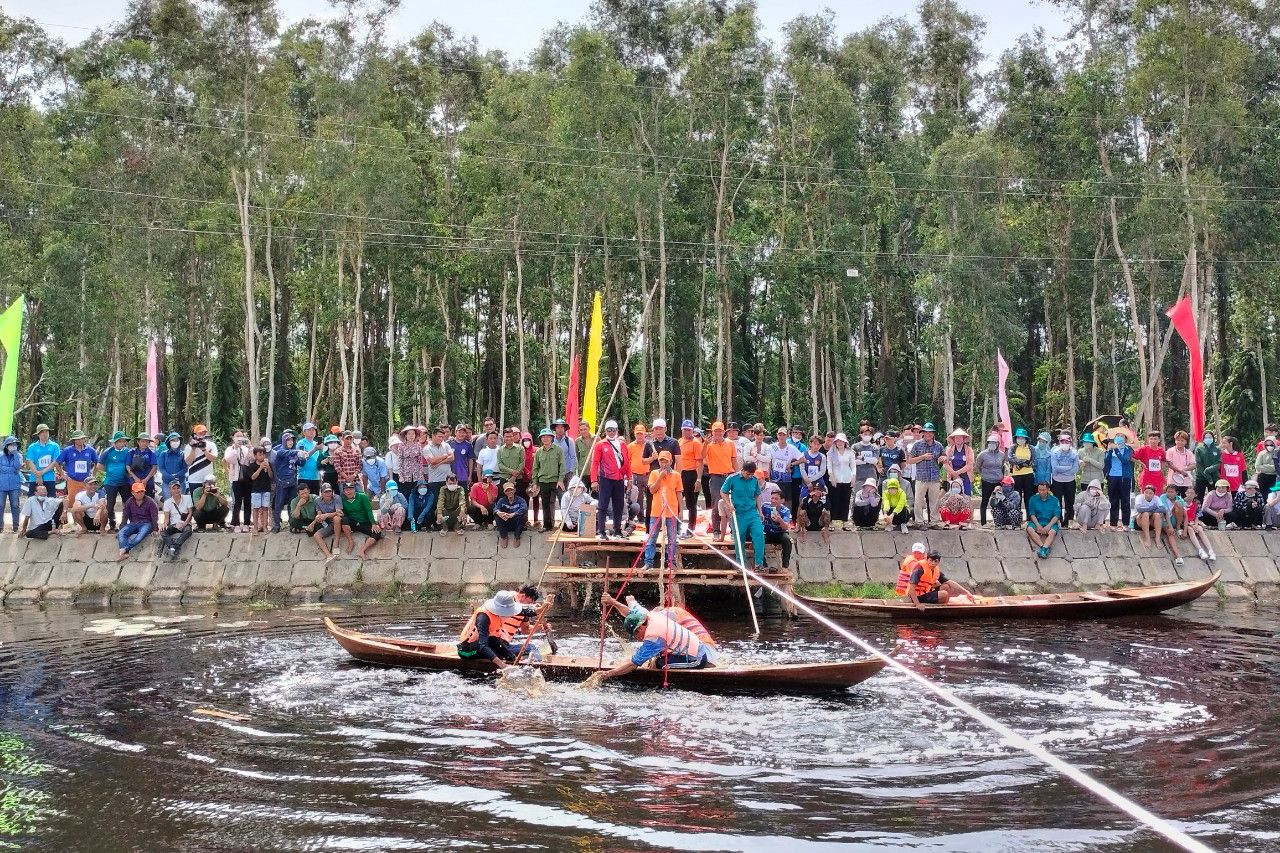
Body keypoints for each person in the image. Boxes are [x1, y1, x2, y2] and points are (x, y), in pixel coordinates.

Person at [585, 601, 709, 686]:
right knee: (656, 659)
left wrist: (608, 674)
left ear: (639, 629)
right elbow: (629, 612)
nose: (638, 638)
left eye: (636, 635)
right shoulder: (651, 615)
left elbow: (634, 664)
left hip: (697, 658)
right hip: (695, 648)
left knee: (660, 664)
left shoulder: (653, 636)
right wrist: (613, 601)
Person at [895, 543, 974, 608]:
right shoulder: (919, 568)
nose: (933, 563)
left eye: (935, 561)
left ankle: (942, 608)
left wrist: (967, 592)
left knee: (946, 586)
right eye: (931, 560)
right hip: (915, 596)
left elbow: (950, 582)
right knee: (944, 594)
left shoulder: (935, 569)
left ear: (938, 562)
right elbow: (911, 588)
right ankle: (941, 609)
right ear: (927, 559)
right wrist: (917, 604)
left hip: (925, 592)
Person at [456, 590, 523, 668]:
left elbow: (525, 611)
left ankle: (513, 659)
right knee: (495, 653)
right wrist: (503, 666)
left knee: (497, 643)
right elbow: (483, 646)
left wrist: (511, 657)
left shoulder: (496, 614)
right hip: (467, 650)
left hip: (483, 644)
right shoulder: (483, 617)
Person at [721, 462, 765, 570]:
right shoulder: (732, 478)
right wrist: (728, 504)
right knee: (739, 538)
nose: (749, 476)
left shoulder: (754, 480)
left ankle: (759, 564)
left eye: (751, 474)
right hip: (738, 514)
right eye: (748, 474)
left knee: (759, 535)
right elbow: (723, 492)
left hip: (752, 513)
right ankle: (741, 565)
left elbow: (757, 495)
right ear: (743, 470)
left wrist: (760, 511)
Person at [590, 420, 630, 540]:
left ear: (617, 431)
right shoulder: (600, 445)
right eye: (609, 430)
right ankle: (601, 531)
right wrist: (594, 480)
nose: (611, 432)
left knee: (619, 504)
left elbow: (627, 462)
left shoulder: (622, 444)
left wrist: (630, 479)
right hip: (606, 478)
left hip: (619, 478)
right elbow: (595, 463)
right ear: (605, 431)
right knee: (603, 504)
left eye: (613, 430)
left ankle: (617, 530)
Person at [642, 450, 682, 570]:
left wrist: (681, 511)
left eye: (666, 461)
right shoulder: (654, 473)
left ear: (671, 462)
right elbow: (652, 490)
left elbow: (679, 493)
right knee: (652, 537)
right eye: (661, 461)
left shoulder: (676, 475)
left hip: (672, 511)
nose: (663, 464)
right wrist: (660, 477)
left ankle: (671, 563)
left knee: (672, 539)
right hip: (656, 511)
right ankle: (648, 562)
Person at [703, 421, 737, 537]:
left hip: (729, 476)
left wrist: (737, 476)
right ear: (712, 432)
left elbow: (734, 460)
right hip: (716, 477)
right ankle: (716, 531)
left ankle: (733, 530)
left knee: (732, 503)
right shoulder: (709, 445)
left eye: (720, 431)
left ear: (724, 432)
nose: (718, 433)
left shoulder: (730, 443)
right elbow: (701, 457)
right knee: (716, 504)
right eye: (715, 431)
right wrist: (705, 444)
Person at [907, 422, 944, 527]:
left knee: (934, 501)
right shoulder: (917, 444)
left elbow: (944, 457)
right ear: (923, 433)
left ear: (933, 433)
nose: (928, 434)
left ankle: (934, 522)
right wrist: (923, 457)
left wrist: (943, 459)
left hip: (934, 477)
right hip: (921, 477)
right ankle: (919, 521)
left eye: (930, 432)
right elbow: (910, 460)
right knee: (918, 501)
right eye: (926, 432)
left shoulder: (938, 445)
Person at [97, 430, 133, 531]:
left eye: (123, 441)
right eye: (120, 441)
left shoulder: (128, 452)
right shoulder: (107, 452)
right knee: (110, 504)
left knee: (127, 503)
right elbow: (99, 466)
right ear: (114, 442)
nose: (122, 443)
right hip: (110, 482)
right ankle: (112, 523)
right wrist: (110, 470)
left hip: (125, 482)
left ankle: (125, 523)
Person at [531, 428, 566, 532]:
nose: (545, 438)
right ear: (541, 439)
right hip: (543, 481)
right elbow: (535, 468)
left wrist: (560, 479)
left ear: (552, 438)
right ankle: (547, 525)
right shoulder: (538, 452)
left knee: (563, 501)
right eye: (543, 437)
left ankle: (565, 524)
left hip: (556, 481)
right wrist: (535, 483)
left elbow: (562, 465)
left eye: (548, 436)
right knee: (545, 504)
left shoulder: (558, 450)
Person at [339, 481, 382, 558]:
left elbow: (369, 510)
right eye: (346, 490)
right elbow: (344, 513)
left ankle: (362, 550)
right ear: (344, 491)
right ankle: (350, 542)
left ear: (354, 489)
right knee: (344, 519)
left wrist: (373, 523)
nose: (349, 492)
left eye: (351, 489)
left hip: (364, 522)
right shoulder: (342, 500)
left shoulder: (362, 496)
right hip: (353, 522)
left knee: (377, 533)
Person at [767, 426, 804, 516]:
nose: (781, 436)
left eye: (783, 435)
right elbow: (769, 462)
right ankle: (773, 517)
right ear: (777, 435)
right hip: (774, 478)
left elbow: (803, 459)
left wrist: (792, 464)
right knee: (773, 498)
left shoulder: (791, 448)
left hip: (786, 478)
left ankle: (787, 518)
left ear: (787, 436)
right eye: (780, 434)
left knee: (787, 499)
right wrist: (768, 476)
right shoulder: (771, 447)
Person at [116, 482, 157, 561]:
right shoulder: (129, 502)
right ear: (133, 493)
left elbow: (154, 516)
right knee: (121, 533)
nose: (140, 494)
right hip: (134, 523)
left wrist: (155, 528)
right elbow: (125, 516)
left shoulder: (150, 501)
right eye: (137, 492)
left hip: (146, 523)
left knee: (140, 536)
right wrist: (121, 527)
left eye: (142, 491)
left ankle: (124, 549)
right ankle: (125, 553)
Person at [675, 419, 703, 532]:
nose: (686, 432)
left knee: (691, 503)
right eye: (684, 430)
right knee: (676, 500)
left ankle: (691, 528)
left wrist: (699, 479)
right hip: (679, 474)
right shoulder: (679, 441)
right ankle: (675, 526)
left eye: (689, 430)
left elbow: (700, 462)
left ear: (692, 430)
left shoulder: (696, 443)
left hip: (691, 474)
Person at [270, 431, 301, 533]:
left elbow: (301, 463)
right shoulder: (279, 450)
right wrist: (297, 452)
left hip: (292, 480)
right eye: (288, 440)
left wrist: (303, 456)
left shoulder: (294, 452)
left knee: (292, 502)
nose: (290, 442)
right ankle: (277, 524)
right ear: (283, 440)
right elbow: (281, 454)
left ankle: (292, 523)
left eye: (292, 440)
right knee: (279, 503)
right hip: (281, 481)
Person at [825, 432, 856, 530]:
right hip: (834, 480)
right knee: (834, 501)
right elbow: (829, 466)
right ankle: (832, 522)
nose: (840, 443)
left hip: (847, 479)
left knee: (845, 501)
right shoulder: (831, 453)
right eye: (838, 441)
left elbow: (853, 466)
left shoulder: (850, 452)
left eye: (842, 441)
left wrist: (853, 476)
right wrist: (831, 476)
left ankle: (845, 522)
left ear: (845, 442)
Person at [1103, 434, 1134, 529]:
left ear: (1125, 439)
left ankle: (1125, 524)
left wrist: (1116, 450)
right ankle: (1113, 523)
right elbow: (1106, 461)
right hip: (1112, 477)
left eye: (1121, 436)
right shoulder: (1110, 448)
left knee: (1125, 500)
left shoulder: (1128, 449)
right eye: (1117, 436)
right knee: (1113, 501)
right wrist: (1109, 450)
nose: (1119, 438)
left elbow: (1125, 460)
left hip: (1124, 478)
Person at [974, 436, 1006, 527]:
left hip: (998, 482)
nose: (992, 444)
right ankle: (983, 523)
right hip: (986, 481)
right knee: (985, 501)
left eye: (994, 443)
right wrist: (983, 475)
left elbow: (1002, 466)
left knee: (999, 501)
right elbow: (977, 466)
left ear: (998, 444)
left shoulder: (1002, 454)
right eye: (990, 442)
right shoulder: (982, 454)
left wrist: (1001, 478)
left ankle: (999, 522)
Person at [307, 482, 344, 560]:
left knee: (336, 518)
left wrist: (326, 515)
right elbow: (319, 513)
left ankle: (336, 541)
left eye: (329, 491)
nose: (328, 493)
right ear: (321, 493)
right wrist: (315, 520)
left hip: (339, 522)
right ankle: (328, 555)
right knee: (316, 535)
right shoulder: (317, 500)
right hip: (328, 524)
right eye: (325, 492)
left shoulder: (336, 497)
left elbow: (339, 513)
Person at [1048, 432, 1079, 526]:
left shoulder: (1074, 453)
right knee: (1057, 502)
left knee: (1070, 502)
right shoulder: (1054, 451)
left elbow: (1075, 469)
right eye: (1062, 441)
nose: (1065, 443)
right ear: (1059, 442)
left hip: (1070, 481)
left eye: (1067, 441)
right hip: (1057, 481)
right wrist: (1068, 467)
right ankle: (1058, 520)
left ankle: (1068, 521)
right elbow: (1055, 467)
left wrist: (1062, 468)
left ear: (1070, 442)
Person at [158, 479, 194, 559]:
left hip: (185, 523)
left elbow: (190, 513)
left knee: (188, 531)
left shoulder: (187, 498)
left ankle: (175, 546)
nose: (176, 490)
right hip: (174, 524)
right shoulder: (167, 502)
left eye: (178, 488)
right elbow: (166, 519)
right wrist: (164, 525)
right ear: (170, 490)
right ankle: (171, 545)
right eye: (174, 488)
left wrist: (184, 523)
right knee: (163, 532)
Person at [1026, 480, 1062, 559]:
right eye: (1039, 490)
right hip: (1037, 521)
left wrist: (1049, 526)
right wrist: (1037, 525)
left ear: (1048, 490)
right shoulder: (1033, 499)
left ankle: (1044, 549)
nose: (1041, 492)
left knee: (1052, 532)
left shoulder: (1055, 500)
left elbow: (1056, 515)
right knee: (1029, 529)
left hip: (1050, 522)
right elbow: (1032, 514)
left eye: (1043, 490)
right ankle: (1044, 548)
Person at [23, 423, 59, 497]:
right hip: (34, 478)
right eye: (42, 432)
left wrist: (42, 472)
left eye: (47, 431)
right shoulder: (32, 447)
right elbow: (30, 461)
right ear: (38, 434)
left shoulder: (55, 446)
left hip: (49, 478)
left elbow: (55, 462)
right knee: (33, 501)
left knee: (50, 501)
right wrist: (38, 476)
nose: (45, 434)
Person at [761, 489, 793, 571]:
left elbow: (786, 527)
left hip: (780, 533)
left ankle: (785, 566)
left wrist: (779, 520)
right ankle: (763, 566)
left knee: (787, 540)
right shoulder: (765, 506)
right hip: (767, 533)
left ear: (782, 500)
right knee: (757, 539)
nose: (773, 501)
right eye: (772, 498)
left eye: (776, 499)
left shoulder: (785, 511)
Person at [1134, 484, 1169, 550]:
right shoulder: (1139, 497)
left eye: (1150, 493)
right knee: (1146, 514)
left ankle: (1157, 539)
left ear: (1153, 494)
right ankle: (1147, 539)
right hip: (1139, 521)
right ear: (1143, 492)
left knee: (1157, 515)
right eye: (1146, 492)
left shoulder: (1156, 498)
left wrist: (1151, 510)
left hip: (1151, 522)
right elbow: (1139, 509)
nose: (1148, 495)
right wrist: (1151, 508)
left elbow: (1163, 509)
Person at [1008, 427, 1035, 509]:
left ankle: (1029, 518)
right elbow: (1010, 459)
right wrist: (1024, 462)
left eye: (1022, 438)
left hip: (1028, 474)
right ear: (1016, 438)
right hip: (1016, 475)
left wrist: (1021, 463)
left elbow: (1033, 461)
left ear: (1026, 439)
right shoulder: (1012, 448)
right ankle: (1017, 517)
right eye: (1018, 438)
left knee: (1029, 496)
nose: (1020, 439)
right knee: (1017, 496)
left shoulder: (1031, 448)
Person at [1132, 431, 1166, 496]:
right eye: (1151, 439)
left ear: (1159, 440)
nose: (1153, 441)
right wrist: (1141, 463)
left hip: (1158, 479)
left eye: (1155, 439)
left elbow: (1164, 460)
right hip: (1147, 478)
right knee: (1145, 497)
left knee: (1157, 498)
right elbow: (1131, 456)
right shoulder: (1144, 449)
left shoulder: (1161, 450)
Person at [494, 480, 527, 548]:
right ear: (504, 492)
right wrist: (499, 513)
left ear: (514, 490)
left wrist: (513, 514)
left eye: (511, 490)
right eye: (507, 491)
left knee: (523, 516)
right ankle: (504, 537)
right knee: (497, 517)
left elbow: (524, 509)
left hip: (516, 523)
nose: (509, 492)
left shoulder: (520, 500)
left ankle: (517, 537)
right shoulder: (501, 500)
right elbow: (495, 509)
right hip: (506, 522)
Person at [0, 436, 23, 533]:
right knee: (0, 505)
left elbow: (17, 467)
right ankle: (0, 527)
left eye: (15, 445)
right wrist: (12, 470)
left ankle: (15, 526)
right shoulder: (0, 455)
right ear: (6, 446)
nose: (13, 446)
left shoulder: (19, 456)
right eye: (11, 445)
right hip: (1, 484)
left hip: (14, 485)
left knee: (15, 505)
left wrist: (15, 455)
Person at [942, 428, 974, 495]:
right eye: (956, 437)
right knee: (952, 496)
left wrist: (958, 472)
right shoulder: (949, 449)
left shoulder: (969, 450)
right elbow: (945, 463)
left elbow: (970, 464)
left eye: (960, 437)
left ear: (963, 439)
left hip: (965, 475)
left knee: (966, 495)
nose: (958, 439)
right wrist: (953, 473)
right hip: (952, 475)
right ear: (953, 439)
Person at [1193, 431, 1222, 503]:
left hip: (1214, 477)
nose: (1208, 439)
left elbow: (1218, 463)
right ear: (1203, 438)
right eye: (1206, 437)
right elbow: (1199, 464)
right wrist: (1207, 476)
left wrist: (1208, 470)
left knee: (1213, 498)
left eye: (1210, 437)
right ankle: (1198, 512)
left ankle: (1212, 513)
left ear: (1213, 438)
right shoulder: (1199, 449)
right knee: (1198, 497)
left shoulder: (1217, 449)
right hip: (1201, 477)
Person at [127, 433, 158, 499]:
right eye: (143, 441)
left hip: (148, 482)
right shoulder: (131, 452)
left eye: (147, 442)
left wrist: (146, 479)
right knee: (134, 501)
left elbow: (154, 467)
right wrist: (135, 478)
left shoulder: (151, 453)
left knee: (150, 500)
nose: (144, 443)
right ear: (138, 442)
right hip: (134, 481)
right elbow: (127, 466)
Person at [1165, 431, 1195, 498]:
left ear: (1186, 442)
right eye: (1178, 440)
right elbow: (1169, 464)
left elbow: (1193, 465)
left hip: (1186, 481)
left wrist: (1185, 469)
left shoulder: (1189, 453)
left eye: (1182, 440)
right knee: (1173, 500)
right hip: (1173, 481)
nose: (1180, 442)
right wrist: (1180, 471)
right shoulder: (1170, 451)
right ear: (1175, 441)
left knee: (1186, 500)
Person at [449, 424, 476, 491]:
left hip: (463, 475)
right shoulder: (449, 443)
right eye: (459, 432)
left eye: (463, 432)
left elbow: (470, 460)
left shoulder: (468, 445)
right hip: (450, 475)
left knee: (463, 495)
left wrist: (470, 475)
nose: (461, 434)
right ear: (455, 432)